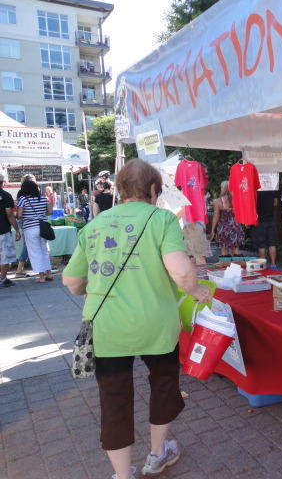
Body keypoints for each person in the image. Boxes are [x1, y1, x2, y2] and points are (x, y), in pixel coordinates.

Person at [62, 159, 211, 479]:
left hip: (108, 328)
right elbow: (182, 273)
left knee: (113, 399)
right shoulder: (162, 219)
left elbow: (72, 282)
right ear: (154, 189)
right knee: (163, 387)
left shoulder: (95, 224)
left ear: (119, 189)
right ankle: (157, 455)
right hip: (156, 325)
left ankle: (122, 474)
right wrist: (197, 289)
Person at [16, 180, 53, 283]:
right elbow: (50, 212)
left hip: (30, 228)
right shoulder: (44, 198)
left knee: (35, 252)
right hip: (43, 227)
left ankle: (41, 276)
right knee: (44, 250)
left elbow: (19, 215)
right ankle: (49, 274)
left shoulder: (23, 199)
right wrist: (41, 214)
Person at [209, 180, 245, 257]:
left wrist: (212, 230)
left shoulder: (218, 201)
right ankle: (236, 264)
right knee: (236, 250)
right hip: (235, 226)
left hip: (223, 228)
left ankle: (225, 263)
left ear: (222, 188)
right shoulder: (237, 199)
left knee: (224, 250)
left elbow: (215, 216)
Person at [0, 173, 20, 287]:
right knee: (5, 256)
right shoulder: (5, 195)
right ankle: (3, 279)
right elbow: (10, 215)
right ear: (2, 182)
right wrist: (17, 230)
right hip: (3, 230)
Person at [15, 174, 36, 277]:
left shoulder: (22, 192)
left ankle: (36, 266)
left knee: (29, 244)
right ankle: (19, 269)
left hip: (26, 220)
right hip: (26, 220)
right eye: (32, 181)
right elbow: (20, 211)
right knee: (27, 244)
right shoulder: (22, 193)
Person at [252, 190, 279, 267]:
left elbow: (252, 204)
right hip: (271, 219)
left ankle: (262, 265)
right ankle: (273, 264)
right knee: (272, 243)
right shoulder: (272, 189)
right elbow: (275, 203)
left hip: (260, 221)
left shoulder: (256, 191)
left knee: (261, 244)